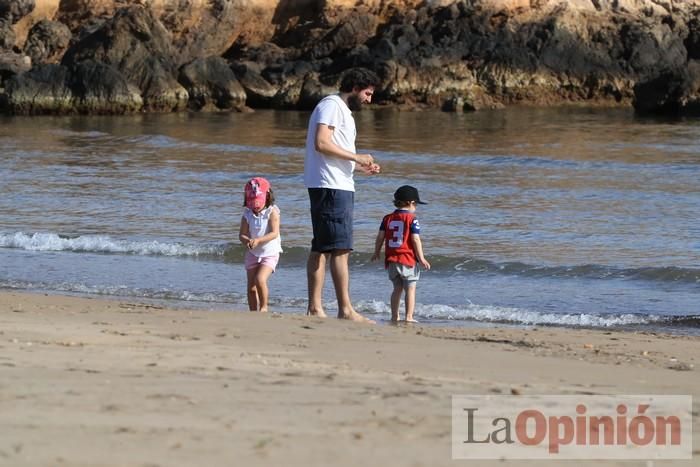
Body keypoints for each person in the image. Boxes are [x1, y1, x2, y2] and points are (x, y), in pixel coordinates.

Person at [303, 67, 381, 322]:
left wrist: (359, 166)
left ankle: (316, 307)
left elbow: (332, 151)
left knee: (324, 246)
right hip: (331, 186)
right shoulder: (332, 105)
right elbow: (321, 143)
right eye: (368, 93)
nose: (369, 100)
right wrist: (356, 156)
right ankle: (344, 309)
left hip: (335, 183)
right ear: (356, 87)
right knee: (339, 248)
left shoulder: (341, 110)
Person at [371, 185, 431, 323]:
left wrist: (376, 251)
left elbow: (380, 236)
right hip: (408, 259)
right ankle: (409, 317)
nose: (416, 207)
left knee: (397, 288)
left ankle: (394, 316)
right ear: (410, 203)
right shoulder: (412, 219)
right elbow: (415, 239)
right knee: (410, 288)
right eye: (416, 204)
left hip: (392, 259)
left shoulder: (387, 218)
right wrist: (421, 258)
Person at [238, 177, 282, 312]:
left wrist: (258, 240)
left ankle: (264, 308)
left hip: (270, 253)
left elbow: (274, 233)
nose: (255, 206)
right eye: (252, 202)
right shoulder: (247, 214)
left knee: (260, 279)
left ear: (267, 196)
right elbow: (241, 235)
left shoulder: (272, 212)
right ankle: (252, 312)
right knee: (251, 288)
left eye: (258, 202)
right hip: (253, 253)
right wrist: (247, 241)